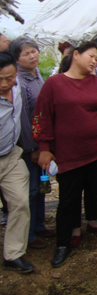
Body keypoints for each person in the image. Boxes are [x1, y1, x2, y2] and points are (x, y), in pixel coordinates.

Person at [33, 39, 97, 268]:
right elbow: (42, 117)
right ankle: (62, 244)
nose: (94, 61)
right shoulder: (54, 84)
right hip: (68, 153)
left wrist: (92, 129)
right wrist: (44, 148)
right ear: (75, 55)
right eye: (91, 56)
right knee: (68, 200)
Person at [9, 37, 54, 250]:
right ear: (16, 58)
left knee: (41, 187)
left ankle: (38, 225)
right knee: (30, 189)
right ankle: (27, 235)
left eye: (34, 51)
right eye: (26, 53)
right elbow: (24, 118)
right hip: (29, 147)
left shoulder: (36, 76)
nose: (33, 56)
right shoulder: (18, 81)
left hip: (40, 144)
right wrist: (33, 147)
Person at [0, 51, 34, 273]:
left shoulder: (19, 88)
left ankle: (13, 254)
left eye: (9, 78)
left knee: (20, 203)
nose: (5, 83)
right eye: (0, 78)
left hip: (10, 155)